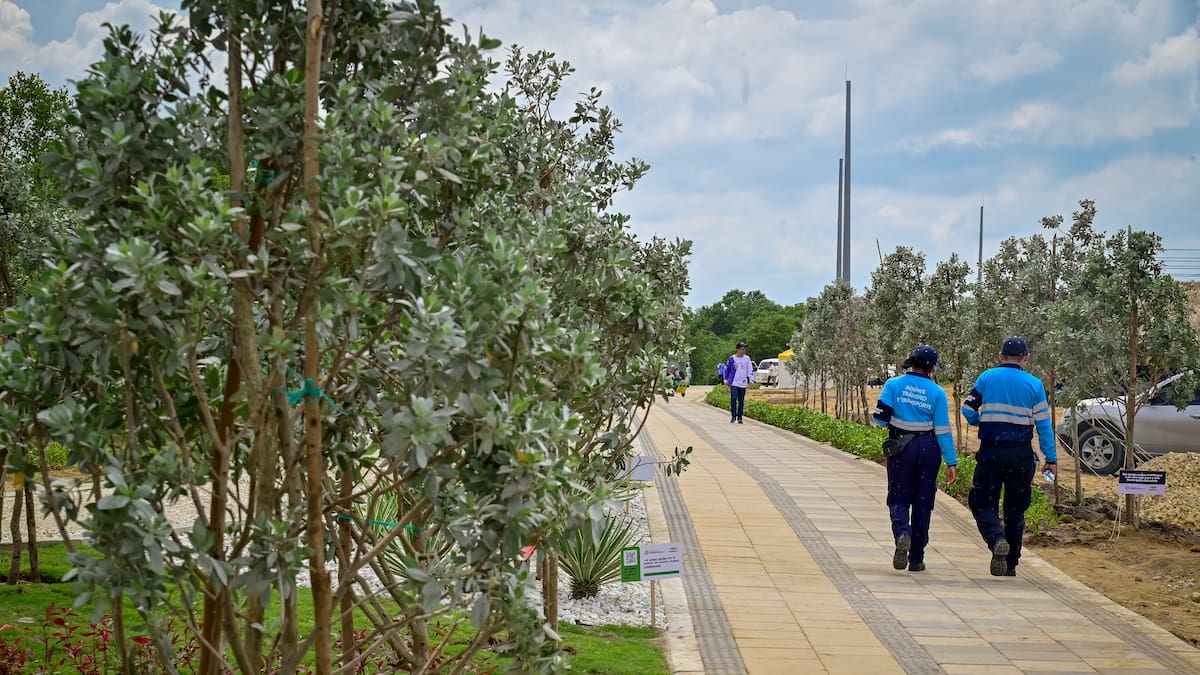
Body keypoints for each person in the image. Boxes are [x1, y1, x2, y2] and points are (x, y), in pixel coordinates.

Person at [962, 336, 1057, 577]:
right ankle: (1012, 563)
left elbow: (967, 409)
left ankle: (996, 540)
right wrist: (1051, 458)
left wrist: (980, 420)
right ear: (1026, 358)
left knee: (982, 502)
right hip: (1021, 454)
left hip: (991, 451)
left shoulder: (987, 378)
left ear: (1001, 356)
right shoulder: (1035, 385)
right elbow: (1044, 425)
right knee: (1016, 509)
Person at [872, 345, 958, 572]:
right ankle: (917, 557)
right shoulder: (938, 392)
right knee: (923, 502)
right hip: (929, 448)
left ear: (912, 362)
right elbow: (943, 429)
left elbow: (879, 419)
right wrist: (951, 461)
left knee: (899, 497)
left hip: (902, 447)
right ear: (931, 368)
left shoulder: (893, 385)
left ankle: (902, 533)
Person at [724, 342, 753, 424]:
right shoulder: (732, 358)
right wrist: (725, 379)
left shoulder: (747, 359)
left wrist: (751, 379)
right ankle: (733, 416)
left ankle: (740, 417)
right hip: (734, 381)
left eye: (745, 349)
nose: (744, 351)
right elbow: (727, 369)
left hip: (743, 382)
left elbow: (749, 369)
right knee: (733, 398)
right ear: (737, 349)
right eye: (742, 349)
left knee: (741, 400)